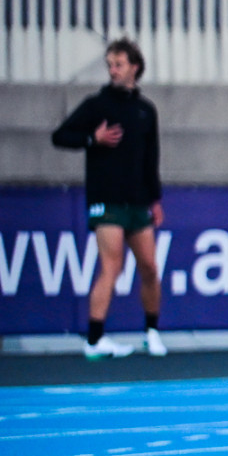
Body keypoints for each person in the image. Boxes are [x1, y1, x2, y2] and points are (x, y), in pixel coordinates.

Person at [50, 37, 166, 359]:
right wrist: (93, 138)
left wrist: (155, 199)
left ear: (134, 68)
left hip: (137, 201)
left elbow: (151, 157)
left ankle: (152, 331)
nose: (113, 70)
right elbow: (60, 136)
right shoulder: (97, 105)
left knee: (149, 268)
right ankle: (95, 338)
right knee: (112, 265)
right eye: (110, 65)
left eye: (119, 65)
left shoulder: (145, 111)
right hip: (107, 199)